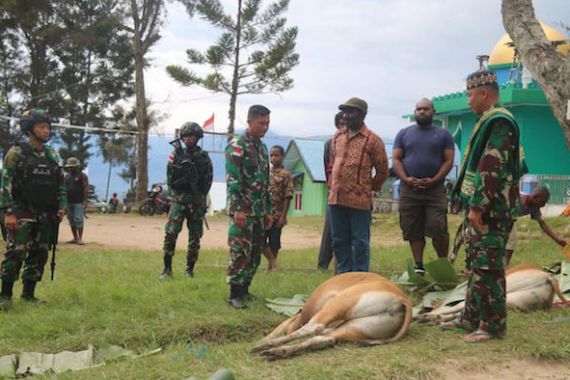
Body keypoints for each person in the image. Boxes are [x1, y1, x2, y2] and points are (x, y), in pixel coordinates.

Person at [443, 70, 523, 343]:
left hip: (493, 209)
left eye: (469, 94)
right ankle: (471, 316)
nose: (467, 100)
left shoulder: (499, 123)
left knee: (488, 267)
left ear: (484, 94)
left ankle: (493, 325)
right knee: (476, 264)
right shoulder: (486, 121)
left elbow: (491, 167)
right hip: (486, 207)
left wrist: (477, 206)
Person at [0, 108, 67, 310]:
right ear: (30, 129)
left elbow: (60, 183)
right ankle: (5, 295)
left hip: (46, 213)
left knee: (40, 253)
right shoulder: (16, 153)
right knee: (16, 252)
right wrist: (8, 213)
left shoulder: (51, 154)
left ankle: (29, 293)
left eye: (48, 127)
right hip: (22, 211)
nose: (47, 131)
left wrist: (62, 206)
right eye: (42, 127)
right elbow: (6, 185)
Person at [392, 98, 455, 276]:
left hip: (434, 191)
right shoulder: (404, 133)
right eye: (418, 109)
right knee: (412, 228)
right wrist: (406, 178)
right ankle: (419, 266)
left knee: (438, 227)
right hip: (409, 189)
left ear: (433, 112)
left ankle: (443, 264)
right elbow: (396, 159)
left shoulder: (443, 134)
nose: (421, 112)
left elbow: (448, 160)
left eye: (425, 109)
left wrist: (434, 180)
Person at [328, 97, 389, 274]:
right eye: (344, 112)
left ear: (362, 115)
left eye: (351, 112)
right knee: (339, 241)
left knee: (360, 243)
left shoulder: (373, 140)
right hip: (336, 199)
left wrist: (368, 188)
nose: (346, 116)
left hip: (359, 202)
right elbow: (334, 162)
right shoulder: (338, 136)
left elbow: (383, 171)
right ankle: (343, 276)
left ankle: (360, 277)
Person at [225, 105, 272, 308]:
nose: (265, 127)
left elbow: (265, 182)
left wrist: (268, 210)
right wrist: (238, 209)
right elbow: (233, 179)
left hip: (259, 210)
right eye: (261, 123)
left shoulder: (262, 148)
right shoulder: (237, 145)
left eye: (268, 123)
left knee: (255, 251)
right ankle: (234, 294)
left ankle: (245, 290)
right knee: (240, 250)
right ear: (250, 121)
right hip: (243, 210)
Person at [160, 122, 213, 280]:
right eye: (186, 136)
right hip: (179, 200)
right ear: (182, 138)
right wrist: (175, 195)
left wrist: (201, 196)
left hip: (196, 201)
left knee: (195, 237)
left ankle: (189, 270)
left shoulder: (204, 157)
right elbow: (170, 177)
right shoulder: (175, 154)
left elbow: (208, 179)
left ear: (197, 138)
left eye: (192, 136)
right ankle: (167, 269)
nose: (189, 139)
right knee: (171, 233)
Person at [505, 186, 567, 266]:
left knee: (512, 241)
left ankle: (505, 264)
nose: (544, 205)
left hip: (509, 222)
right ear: (535, 197)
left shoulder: (535, 207)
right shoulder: (518, 198)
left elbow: (543, 224)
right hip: (500, 219)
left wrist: (557, 239)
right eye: (543, 202)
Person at [317, 112, 345, 271]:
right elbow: (326, 167)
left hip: (353, 193)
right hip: (333, 191)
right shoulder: (329, 144)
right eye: (341, 123)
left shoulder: (358, 143)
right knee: (330, 228)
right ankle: (322, 264)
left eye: (346, 123)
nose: (344, 126)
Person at [263, 145, 294, 271]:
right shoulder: (265, 173)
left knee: (274, 242)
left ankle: (271, 268)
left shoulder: (286, 174)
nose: (273, 158)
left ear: (282, 157)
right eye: (271, 155)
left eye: (276, 155)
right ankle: (273, 261)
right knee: (260, 239)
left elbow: (288, 195)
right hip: (264, 213)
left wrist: (283, 216)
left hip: (278, 214)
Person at [64, 157, 88, 244]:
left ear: (77, 166)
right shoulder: (67, 176)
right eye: (69, 167)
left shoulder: (82, 176)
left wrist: (85, 201)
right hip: (69, 201)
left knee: (78, 219)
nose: (71, 168)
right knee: (71, 219)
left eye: (72, 166)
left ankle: (80, 238)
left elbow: (86, 188)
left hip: (79, 201)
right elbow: (65, 189)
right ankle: (75, 237)